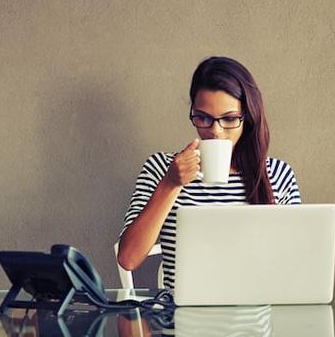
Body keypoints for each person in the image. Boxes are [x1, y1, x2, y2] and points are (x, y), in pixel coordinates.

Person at [117, 56, 301, 289]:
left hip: (254, 321)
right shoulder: (161, 168)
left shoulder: (278, 175)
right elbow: (128, 259)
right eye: (203, 118)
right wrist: (171, 184)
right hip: (181, 320)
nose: (215, 131)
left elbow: (295, 267)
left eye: (230, 119)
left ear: (248, 117)